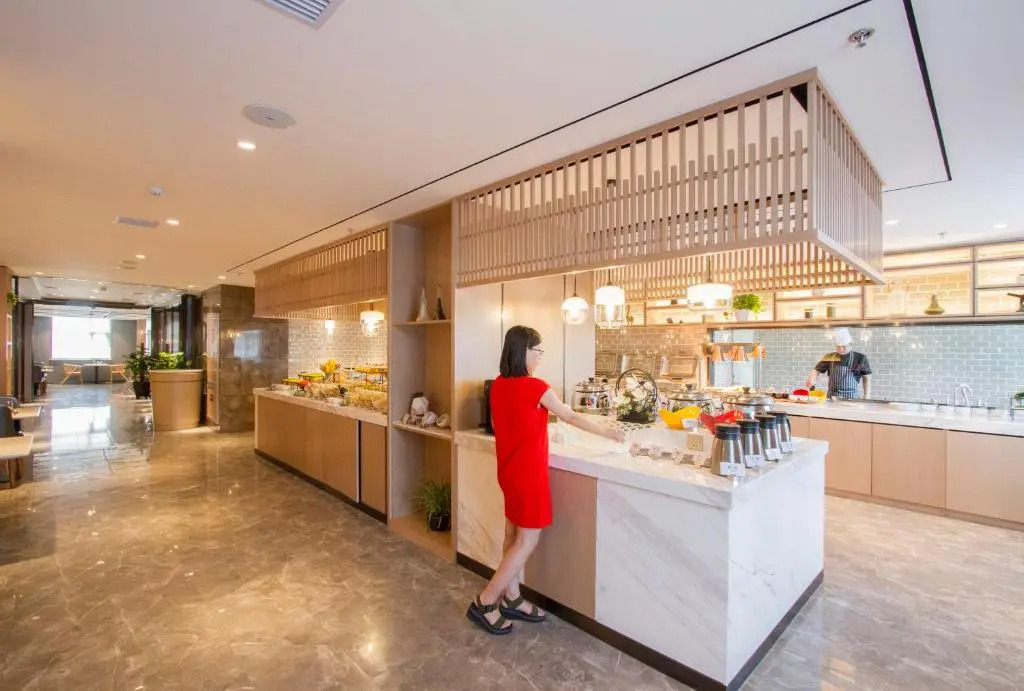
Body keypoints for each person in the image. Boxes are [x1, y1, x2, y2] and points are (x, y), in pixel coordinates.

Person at [466, 325, 625, 635]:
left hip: (509, 471)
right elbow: (570, 416)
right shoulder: (535, 387)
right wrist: (607, 432)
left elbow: (502, 424)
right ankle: (485, 602)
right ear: (522, 351)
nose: (540, 356)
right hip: (529, 475)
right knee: (527, 540)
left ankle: (512, 598)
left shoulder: (498, 385)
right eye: (537, 350)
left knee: (512, 534)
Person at [805, 327, 872, 399]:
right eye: (838, 346)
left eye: (843, 346)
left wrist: (866, 395)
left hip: (852, 398)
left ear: (850, 344)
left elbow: (866, 378)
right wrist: (811, 378)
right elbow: (817, 371)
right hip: (832, 397)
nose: (841, 349)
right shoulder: (829, 357)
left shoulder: (860, 358)